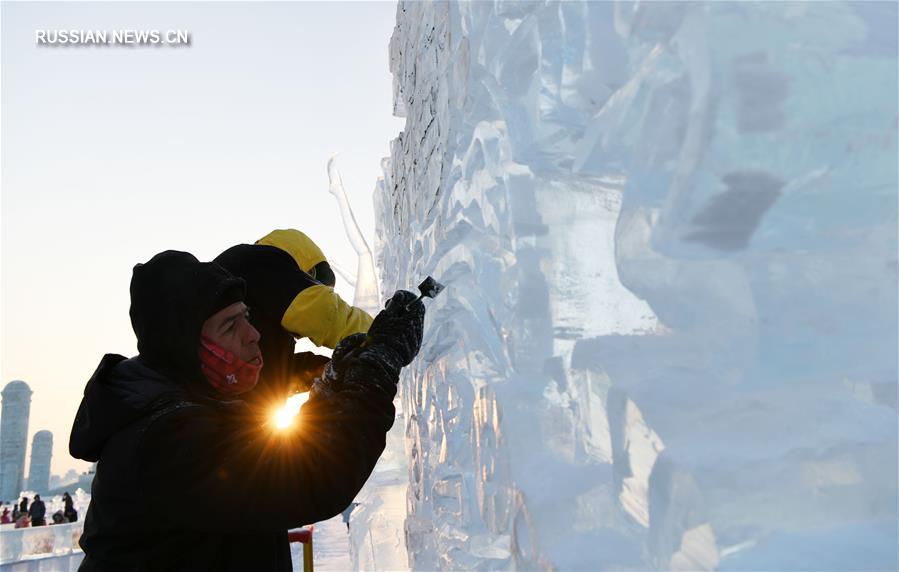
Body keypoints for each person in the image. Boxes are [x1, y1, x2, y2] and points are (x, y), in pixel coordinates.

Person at [69, 250, 424, 570]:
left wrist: (332, 387)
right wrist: (376, 368)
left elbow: (278, 452)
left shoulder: (200, 411)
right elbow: (310, 474)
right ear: (183, 345)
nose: (253, 334)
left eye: (246, 317)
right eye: (230, 325)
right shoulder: (163, 438)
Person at [214, 230, 374, 417]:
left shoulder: (258, 298)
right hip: (217, 422)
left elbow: (271, 373)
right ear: (308, 271)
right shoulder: (261, 261)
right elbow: (325, 314)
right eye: (312, 287)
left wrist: (325, 369)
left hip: (224, 419)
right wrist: (381, 332)